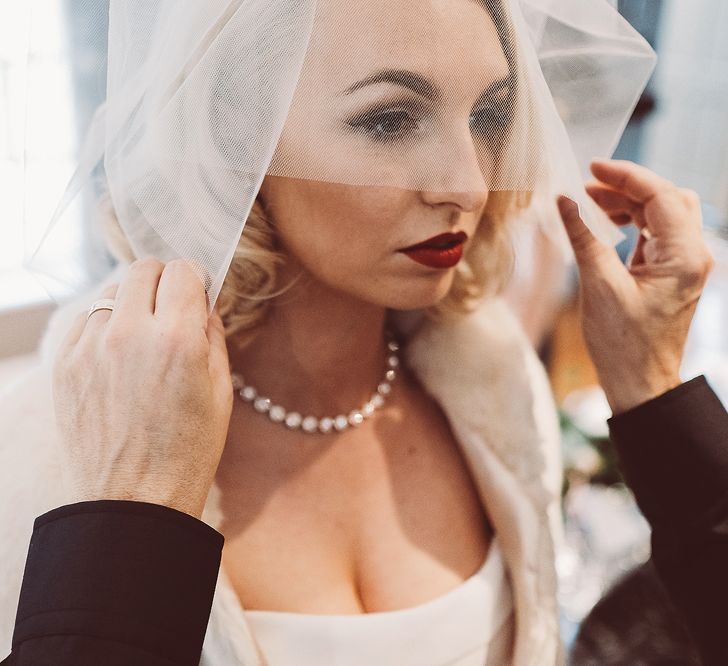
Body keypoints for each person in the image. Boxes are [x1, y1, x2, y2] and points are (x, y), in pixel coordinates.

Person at [2, 2, 712, 666]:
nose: (466, 184)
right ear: (236, 135)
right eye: (389, 120)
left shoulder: (497, 381)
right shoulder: (53, 458)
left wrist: (651, 384)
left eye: (490, 116)